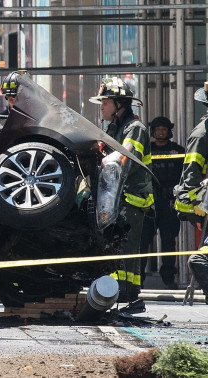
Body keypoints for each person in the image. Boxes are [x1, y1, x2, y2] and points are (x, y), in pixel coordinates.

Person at [89, 76, 154, 304]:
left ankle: (127, 292)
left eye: (105, 103)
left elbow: (124, 160)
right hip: (119, 198)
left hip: (132, 199)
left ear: (119, 104)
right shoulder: (116, 128)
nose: (102, 107)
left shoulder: (134, 128)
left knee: (125, 248)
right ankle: (124, 292)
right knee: (118, 248)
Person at [140, 116, 185, 289]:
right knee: (143, 242)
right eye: (158, 129)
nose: (160, 132)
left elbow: (184, 176)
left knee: (168, 242)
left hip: (169, 204)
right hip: (149, 204)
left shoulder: (178, 151)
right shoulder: (147, 150)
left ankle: (168, 279)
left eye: (164, 129)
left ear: (169, 131)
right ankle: (139, 278)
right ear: (153, 131)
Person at [175, 82, 208, 297]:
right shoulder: (202, 135)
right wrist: (194, 201)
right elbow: (191, 177)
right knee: (200, 259)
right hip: (204, 204)